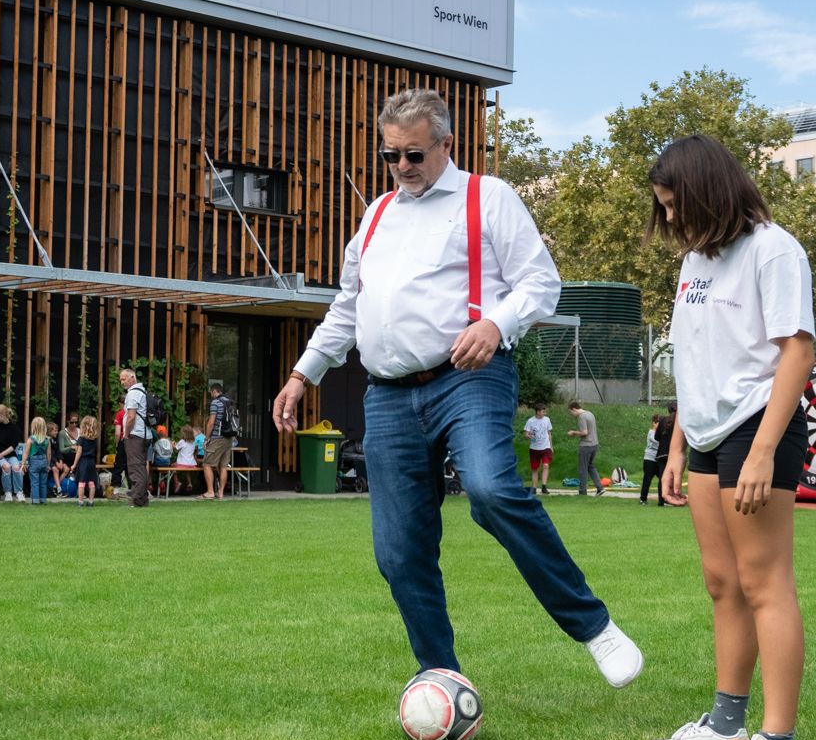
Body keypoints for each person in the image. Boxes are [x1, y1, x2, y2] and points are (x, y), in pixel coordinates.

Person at [270, 87, 641, 692]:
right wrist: (301, 374)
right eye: (390, 156)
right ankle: (440, 676)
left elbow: (541, 284)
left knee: (492, 490)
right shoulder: (376, 216)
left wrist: (496, 323)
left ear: (446, 144)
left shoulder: (487, 197)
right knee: (397, 551)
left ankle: (593, 626)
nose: (402, 168)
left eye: (414, 155)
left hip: (467, 377)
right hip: (387, 394)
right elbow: (347, 308)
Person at [647, 134, 816, 740]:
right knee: (722, 582)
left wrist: (764, 451)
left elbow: (796, 353)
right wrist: (680, 444)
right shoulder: (695, 260)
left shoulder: (773, 250)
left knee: (764, 582)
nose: (668, 219)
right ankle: (725, 724)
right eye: (662, 207)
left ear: (708, 193)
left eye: (673, 204)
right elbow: (695, 358)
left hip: (757, 427)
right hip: (709, 434)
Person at [118, 367, 154, 507]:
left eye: (124, 378)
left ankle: (138, 500)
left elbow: (131, 417)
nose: (122, 382)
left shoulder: (132, 394)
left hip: (136, 435)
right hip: (146, 434)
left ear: (132, 377)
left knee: (135, 468)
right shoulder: (143, 392)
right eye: (121, 379)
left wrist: (126, 433)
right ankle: (143, 498)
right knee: (142, 466)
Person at [202, 379, 239, 499]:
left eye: (211, 393)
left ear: (214, 391)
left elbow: (211, 422)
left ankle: (210, 492)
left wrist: (207, 438)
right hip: (229, 438)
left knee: (207, 464)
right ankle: (221, 493)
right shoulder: (229, 402)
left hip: (217, 437)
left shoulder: (215, 403)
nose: (211, 395)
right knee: (223, 466)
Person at [0, 403, 24, 502]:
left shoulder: (15, 428)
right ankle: (8, 493)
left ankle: (19, 492)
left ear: (3, 415)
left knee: (16, 467)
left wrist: (1, 454)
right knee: (6, 466)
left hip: (9, 454)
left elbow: (13, 446)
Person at [566, 400, 604, 496]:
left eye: (571, 412)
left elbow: (584, 432)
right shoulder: (590, 413)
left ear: (574, 409)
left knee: (583, 468)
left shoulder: (581, 417)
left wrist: (573, 432)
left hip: (586, 445)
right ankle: (600, 488)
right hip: (594, 444)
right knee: (590, 466)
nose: (571, 415)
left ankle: (582, 491)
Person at [523, 402, 555, 495]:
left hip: (545, 447)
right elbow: (526, 434)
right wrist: (528, 436)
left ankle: (544, 486)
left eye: (544, 412)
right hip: (534, 448)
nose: (544, 413)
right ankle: (534, 488)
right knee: (534, 468)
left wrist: (551, 446)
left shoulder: (547, 420)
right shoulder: (530, 421)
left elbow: (549, 433)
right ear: (537, 412)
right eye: (542, 412)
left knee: (546, 465)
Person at [73, 415, 102, 506]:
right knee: (91, 482)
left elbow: (79, 452)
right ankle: (91, 501)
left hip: (83, 462)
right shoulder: (94, 439)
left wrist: (74, 464)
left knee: (81, 482)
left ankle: (80, 502)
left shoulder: (81, 439)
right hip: (91, 462)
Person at [24, 416, 54, 504]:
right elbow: (48, 454)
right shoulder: (47, 440)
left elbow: (26, 453)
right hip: (44, 462)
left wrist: (23, 463)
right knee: (43, 483)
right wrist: (48, 465)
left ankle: (35, 501)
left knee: (35, 482)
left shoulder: (31, 439)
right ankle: (43, 500)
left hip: (34, 462)